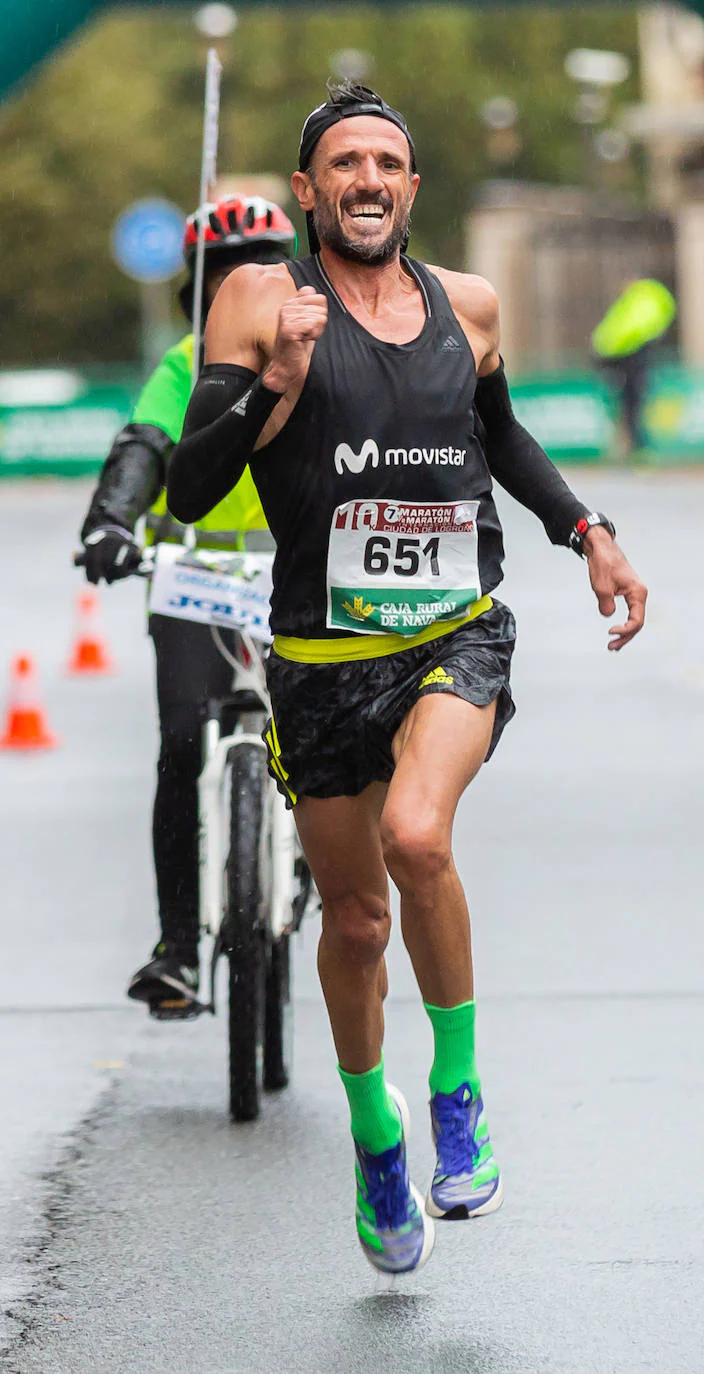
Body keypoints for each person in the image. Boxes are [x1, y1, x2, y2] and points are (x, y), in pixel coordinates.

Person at [166, 81, 647, 1273]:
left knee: (418, 838)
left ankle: (459, 1089)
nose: (367, 179)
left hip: (452, 633)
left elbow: (505, 436)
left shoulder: (467, 307)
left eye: (386, 161)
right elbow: (187, 484)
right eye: (344, 162)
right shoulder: (258, 299)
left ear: (411, 187)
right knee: (357, 917)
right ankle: (375, 1136)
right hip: (322, 661)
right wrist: (275, 381)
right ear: (307, 188)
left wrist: (586, 533)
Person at [79, 193, 297, 1016]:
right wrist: (110, 521)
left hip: (299, 577)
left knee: (334, 743)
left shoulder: (316, 348)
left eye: (265, 267)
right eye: (227, 274)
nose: (247, 286)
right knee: (180, 741)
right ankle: (177, 946)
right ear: (198, 292)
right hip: (195, 577)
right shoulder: (184, 363)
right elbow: (145, 447)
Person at [591, 277, 677, 454]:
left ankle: (636, 446)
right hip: (633, 359)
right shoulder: (648, 299)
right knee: (632, 403)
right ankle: (635, 446)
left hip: (628, 359)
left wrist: (602, 350)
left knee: (631, 404)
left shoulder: (637, 302)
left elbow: (620, 333)